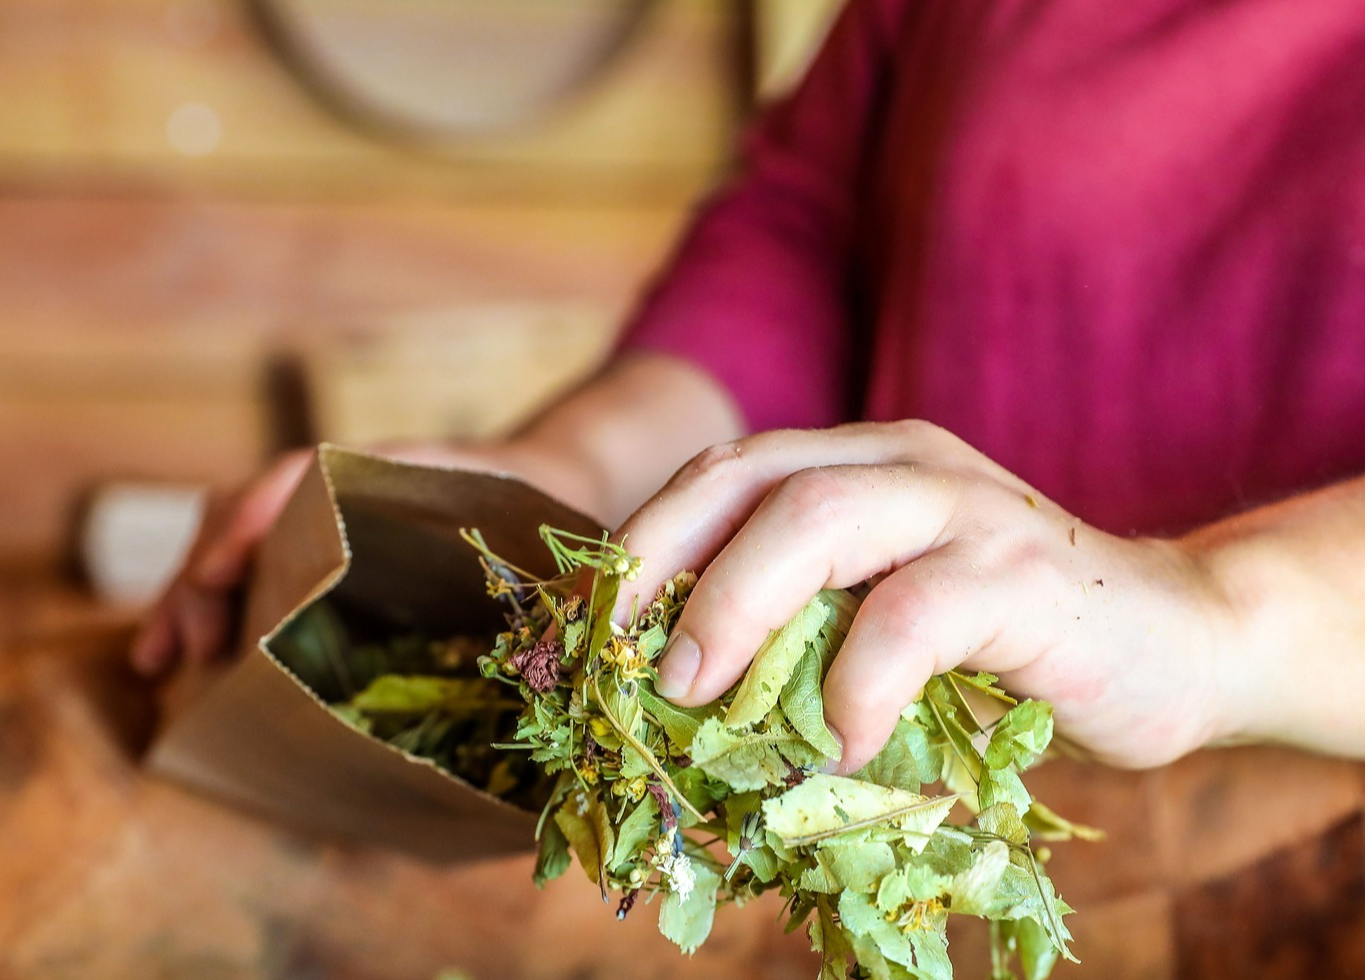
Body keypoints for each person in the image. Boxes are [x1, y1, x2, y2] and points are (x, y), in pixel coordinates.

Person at [133, 0, 1365, 775]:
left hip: (1297, 906)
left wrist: (1215, 618)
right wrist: (566, 471)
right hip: (889, 796)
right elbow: (816, 225)